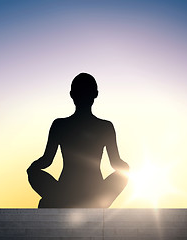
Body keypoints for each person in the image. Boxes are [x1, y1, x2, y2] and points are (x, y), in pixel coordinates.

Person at [27, 73, 129, 208]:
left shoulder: (60, 125)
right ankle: (98, 202)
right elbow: (116, 163)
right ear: (95, 94)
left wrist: (32, 169)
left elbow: (46, 160)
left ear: (72, 94)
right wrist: (127, 167)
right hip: (95, 191)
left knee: (33, 173)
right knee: (123, 175)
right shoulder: (105, 127)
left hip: (65, 191)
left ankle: (57, 199)